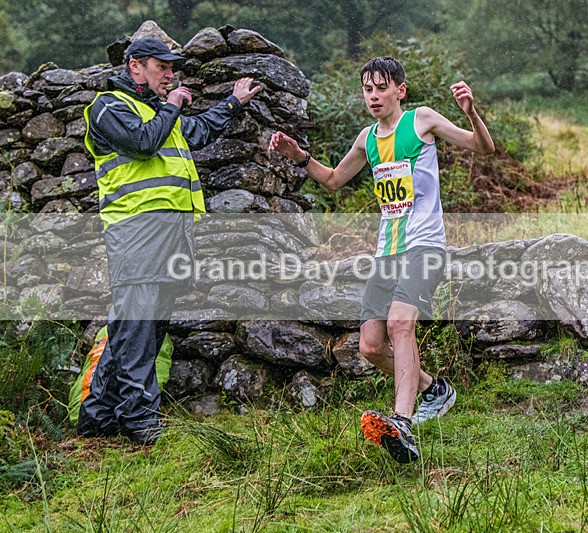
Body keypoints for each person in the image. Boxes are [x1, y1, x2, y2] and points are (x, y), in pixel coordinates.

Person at [269, 56, 494, 463]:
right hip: (386, 251)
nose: (373, 96)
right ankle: (434, 389)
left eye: (381, 88)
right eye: (367, 89)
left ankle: (401, 422)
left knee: (399, 324)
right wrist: (299, 155)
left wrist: (471, 113)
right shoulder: (367, 139)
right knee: (371, 346)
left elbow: (484, 147)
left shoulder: (422, 120)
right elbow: (334, 181)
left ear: (399, 91)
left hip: (424, 246)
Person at [77, 37, 261, 444]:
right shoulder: (109, 106)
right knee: (138, 327)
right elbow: (144, 144)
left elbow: (196, 132)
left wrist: (233, 102)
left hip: (171, 234)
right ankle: (141, 422)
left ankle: (97, 421)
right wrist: (174, 104)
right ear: (134, 67)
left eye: (172, 67)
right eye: (162, 66)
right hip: (135, 233)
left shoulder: (159, 113)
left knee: (140, 328)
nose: (170, 74)